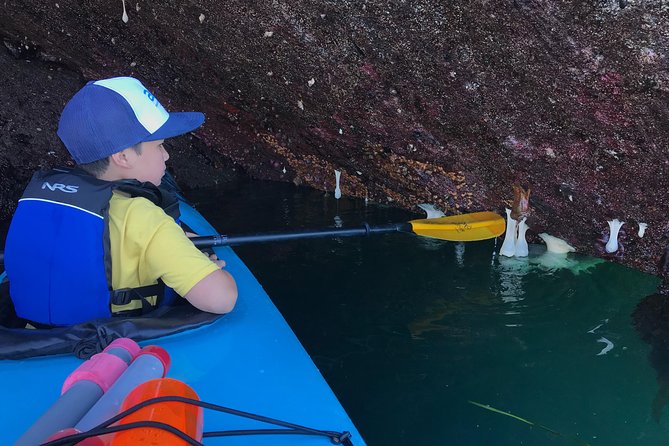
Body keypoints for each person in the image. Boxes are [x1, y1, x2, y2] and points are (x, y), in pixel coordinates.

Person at [3, 76, 237, 326]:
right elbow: (221, 298)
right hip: (111, 346)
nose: (166, 155)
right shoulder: (144, 216)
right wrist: (205, 264)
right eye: (159, 145)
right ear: (123, 156)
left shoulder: (38, 198)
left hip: (32, 335)